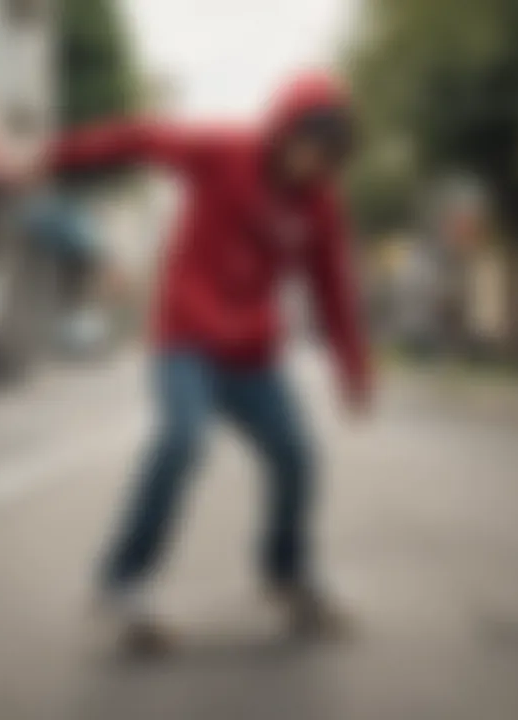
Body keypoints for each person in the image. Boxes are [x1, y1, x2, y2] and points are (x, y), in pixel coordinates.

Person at [50, 72, 372, 652]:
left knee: (297, 454)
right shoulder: (226, 153)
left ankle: (287, 573)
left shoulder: (321, 204)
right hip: (187, 340)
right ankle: (123, 581)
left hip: (253, 355)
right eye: (307, 147)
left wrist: (354, 367)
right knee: (182, 440)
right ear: (282, 131)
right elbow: (142, 137)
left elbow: (333, 288)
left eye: (328, 155)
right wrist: (54, 156)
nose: (313, 164)